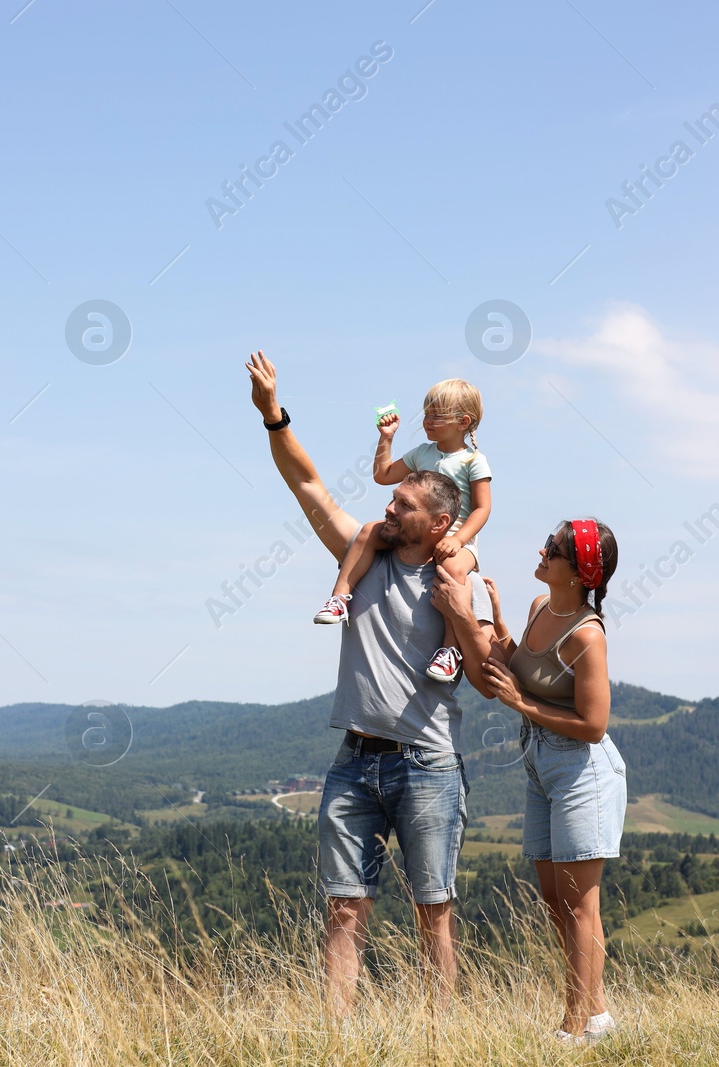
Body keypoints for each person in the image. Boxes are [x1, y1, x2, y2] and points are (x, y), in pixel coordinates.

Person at [245, 351, 496, 1014]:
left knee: (433, 912)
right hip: (353, 761)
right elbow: (308, 485)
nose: (389, 504)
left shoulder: (462, 582)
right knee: (344, 911)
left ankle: (443, 1041)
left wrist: (459, 613)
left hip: (428, 765)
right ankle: (338, 1040)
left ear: (440, 522)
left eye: (405, 502)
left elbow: (489, 680)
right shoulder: (365, 553)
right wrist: (273, 413)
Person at [443, 518, 625, 1046]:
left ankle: (576, 1026)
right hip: (540, 765)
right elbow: (522, 667)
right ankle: (597, 1015)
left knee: (579, 904)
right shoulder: (540, 609)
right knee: (554, 900)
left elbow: (594, 726)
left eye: (555, 548)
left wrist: (520, 704)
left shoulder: (587, 635)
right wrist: (495, 625)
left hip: (581, 770)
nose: (541, 550)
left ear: (577, 570)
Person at [313, 380, 493, 686]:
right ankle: (340, 597)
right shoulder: (422, 452)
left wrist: (458, 539)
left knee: (451, 571)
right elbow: (382, 475)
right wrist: (386, 438)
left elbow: (482, 509)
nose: (426, 421)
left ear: (463, 422)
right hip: (416, 532)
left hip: (457, 538)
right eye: (425, 414)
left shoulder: (474, 461)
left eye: (436, 416)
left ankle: (449, 649)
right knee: (369, 531)